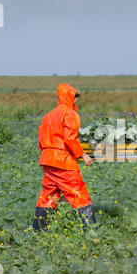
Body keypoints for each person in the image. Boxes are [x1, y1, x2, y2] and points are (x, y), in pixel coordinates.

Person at [33, 83, 96, 231]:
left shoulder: (47, 117)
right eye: (74, 97)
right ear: (68, 97)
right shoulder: (69, 114)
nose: (76, 101)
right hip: (63, 161)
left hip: (47, 160)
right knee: (78, 193)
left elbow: (41, 142)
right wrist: (82, 155)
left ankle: (37, 232)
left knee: (49, 196)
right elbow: (69, 139)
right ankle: (93, 232)